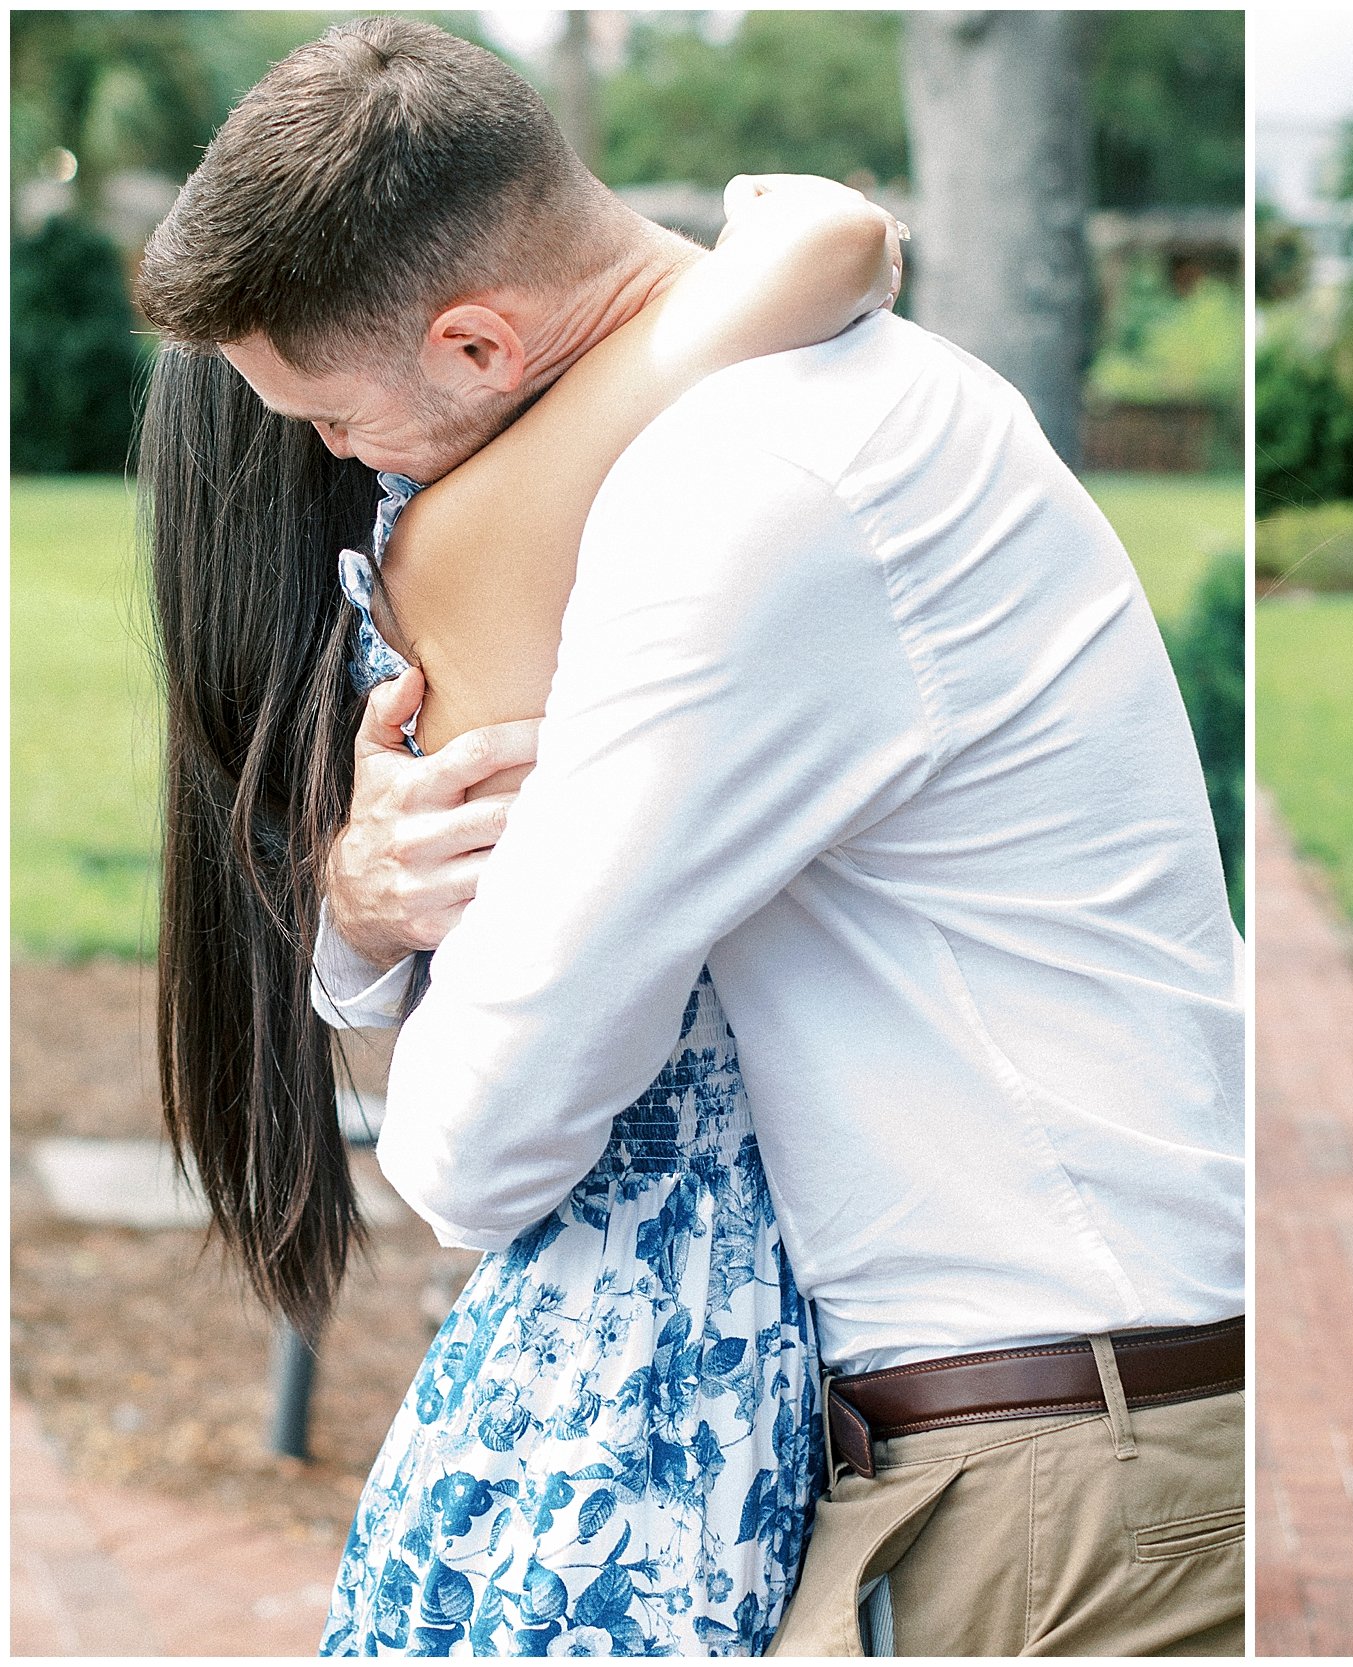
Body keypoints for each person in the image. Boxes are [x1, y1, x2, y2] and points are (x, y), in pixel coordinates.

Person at [137, 17, 1245, 1658]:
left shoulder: (733, 489)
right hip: (1027, 1435)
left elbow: (479, 1141)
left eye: (324, 415)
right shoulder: (765, 406)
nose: (330, 465)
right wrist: (362, 906)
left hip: (1064, 1469)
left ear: (472, 348)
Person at [143, 27, 903, 1654]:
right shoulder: (474, 529)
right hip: (670, 1332)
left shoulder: (472, 519)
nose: (336, 460)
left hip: (622, 1335)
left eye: (330, 418)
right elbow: (838, 242)